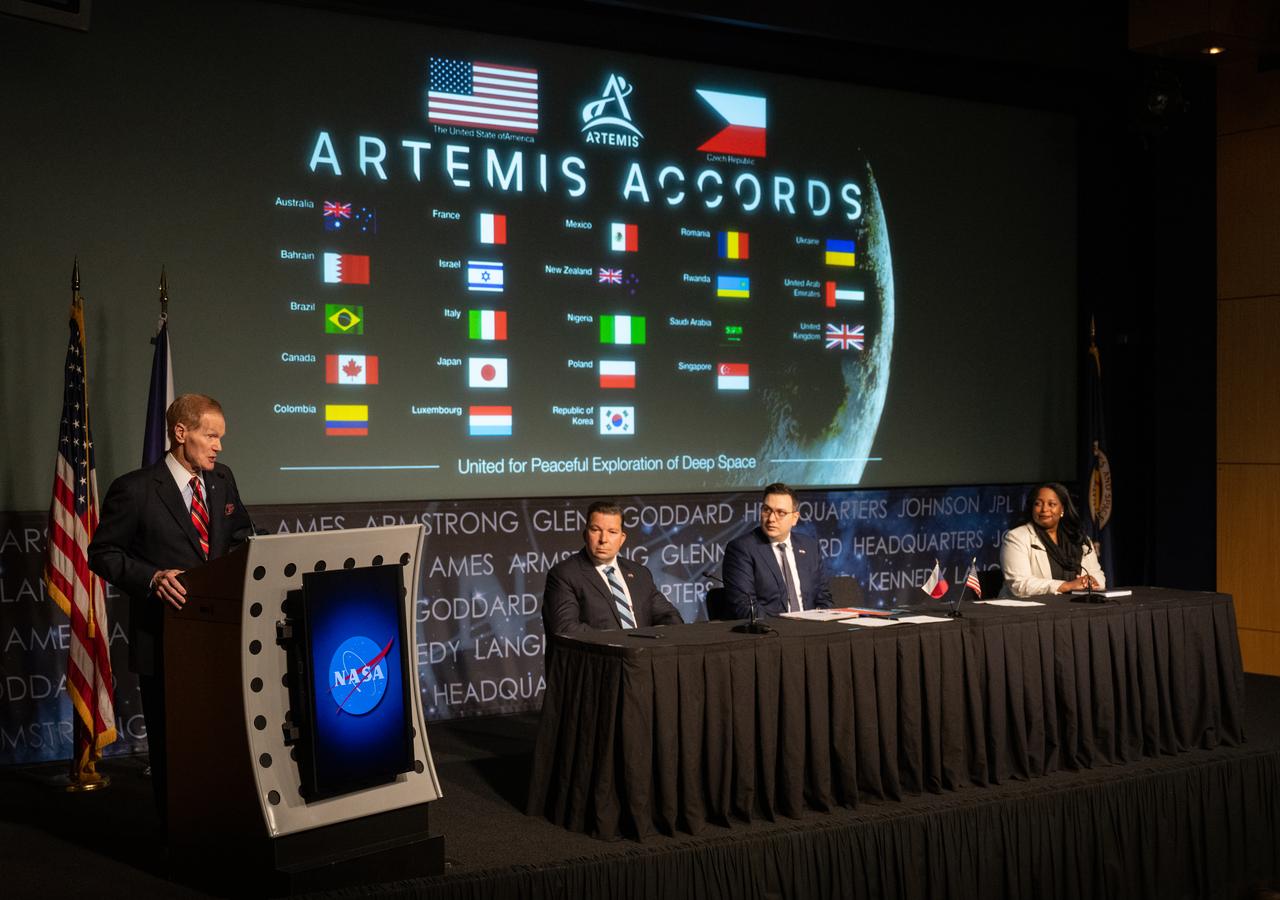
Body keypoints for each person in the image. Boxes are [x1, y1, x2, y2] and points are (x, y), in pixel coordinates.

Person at [88, 394, 252, 821]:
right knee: (174, 745)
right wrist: (152, 577)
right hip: (164, 638)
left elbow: (238, 537)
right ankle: (176, 837)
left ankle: (222, 826)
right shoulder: (136, 488)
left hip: (221, 636)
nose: (218, 446)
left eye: (221, 438)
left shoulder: (222, 480)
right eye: (210, 435)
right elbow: (102, 553)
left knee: (221, 741)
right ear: (181, 433)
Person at [542, 500, 684, 634]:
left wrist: (653, 642)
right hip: (599, 659)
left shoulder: (640, 573)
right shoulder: (564, 575)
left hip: (641, 657)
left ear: (622, 539)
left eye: (612, 532)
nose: (603, 539)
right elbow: (566, 629)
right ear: (585, 534)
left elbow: (670, 617)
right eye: (596, 530)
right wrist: (621, 645)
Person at [723, 482, 832, 618]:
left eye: (780, 512)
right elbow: (745, 607)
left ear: (794, 518)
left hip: (810, 631)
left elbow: (824, 598)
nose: (771, 519)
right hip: (770, 634)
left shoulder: (809, 546)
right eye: (766, 510)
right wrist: (788, 629)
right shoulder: (742, 549)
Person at [999, 482, 1106, 597]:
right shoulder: (1016, 537)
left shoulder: (1079, 538)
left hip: (1077, 607)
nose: (1044, 509)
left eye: (1052, 504)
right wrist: (1067, 585)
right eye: (1038, 504)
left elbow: (1099, 576)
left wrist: (1091, 581)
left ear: (1062, 509)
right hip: (1030, 610)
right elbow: (1020, 584)